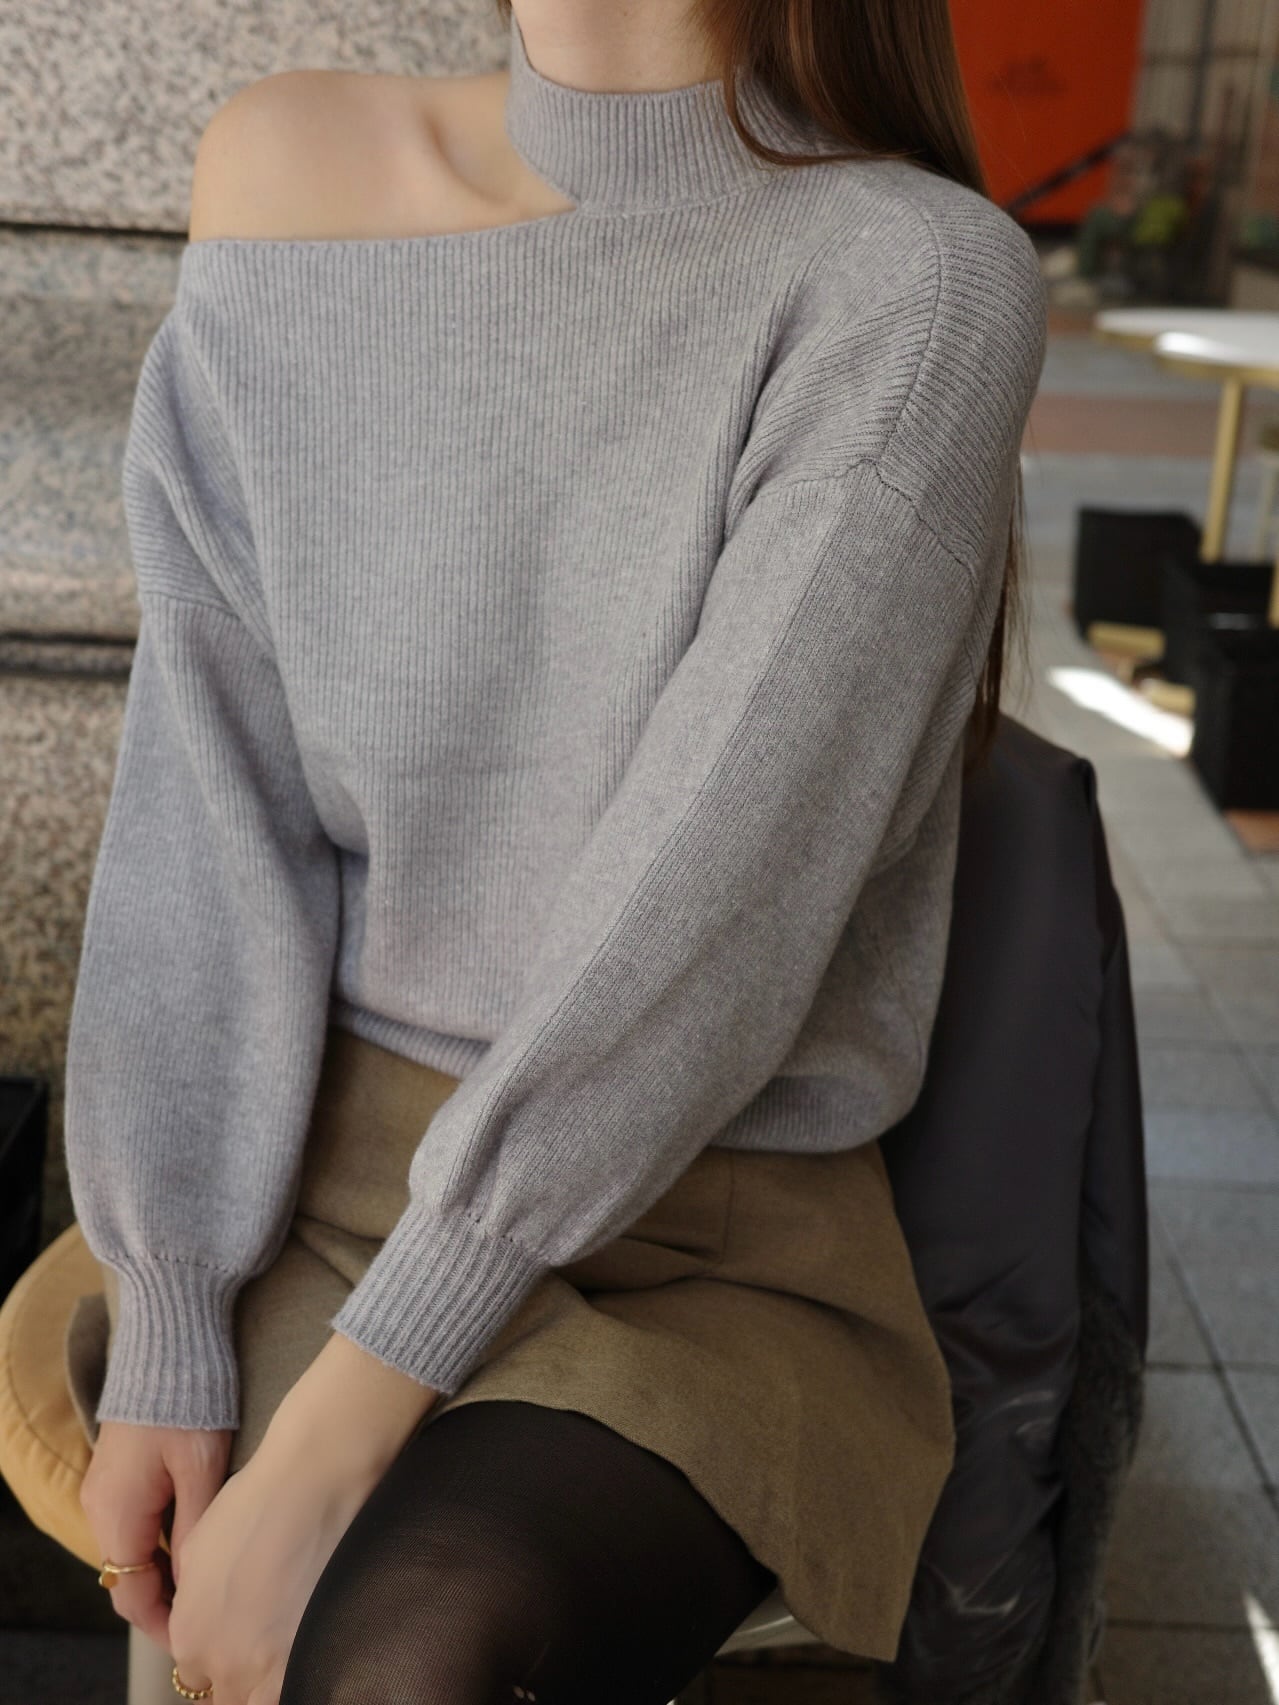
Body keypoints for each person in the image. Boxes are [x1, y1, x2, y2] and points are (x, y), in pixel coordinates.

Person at [62, 1, 1048, 1700]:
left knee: (413, 1643)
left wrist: (343, 1429)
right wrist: (170, 1299)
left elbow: (711, 907)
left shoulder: (918, 280)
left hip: (700, 1233)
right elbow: (204, 806)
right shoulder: (288, 171)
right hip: (297, 1176)